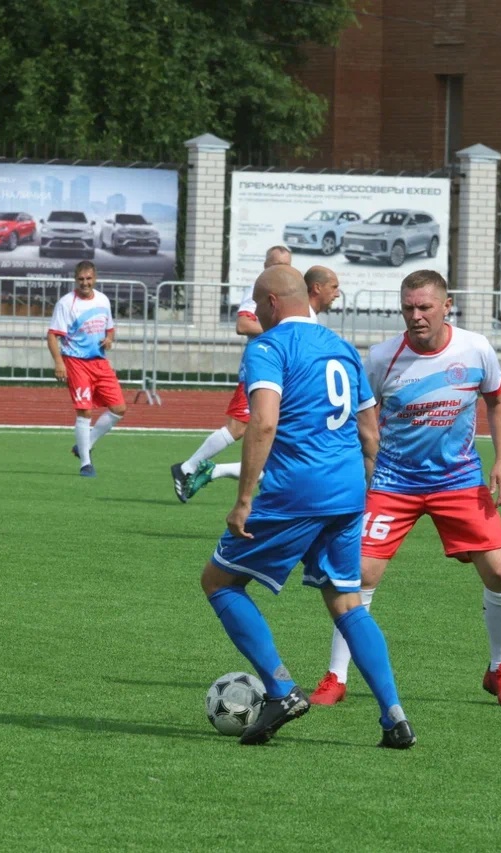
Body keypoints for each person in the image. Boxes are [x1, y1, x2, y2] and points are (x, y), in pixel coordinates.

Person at [201, 264, 414, 748]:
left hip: (295, 491)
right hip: (347, 491)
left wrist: (243, 499)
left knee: (218, 581)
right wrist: (362, 490)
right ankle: (394, 716)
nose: (254, 313)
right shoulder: (342, 348)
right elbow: (370, 432)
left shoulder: (268, 348)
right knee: (346, 603)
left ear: (273, 302)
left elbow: (263, 423)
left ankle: (280, 689)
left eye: (257, 303)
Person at [310, 270, 501, 708]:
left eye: (425, 307)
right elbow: (361, 418)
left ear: (447, 306)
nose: (416, 316)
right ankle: (336, 676)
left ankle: (499, 668)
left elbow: (497, 401)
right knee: (359, 575)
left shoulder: (476, 348)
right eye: (408, 307)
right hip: (394, 481)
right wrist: (361, 468)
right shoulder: (381, 357)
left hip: (458, 479)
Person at [187, 264, 344, 493]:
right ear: (317, 288)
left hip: (281, 382)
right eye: (334, 287)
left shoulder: (313, 324)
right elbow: (244, 325)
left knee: (280, 455)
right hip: (268, 378)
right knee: (248, 430)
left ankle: (213, 471)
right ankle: (190, 467)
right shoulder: (296, 322)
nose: (337, 293)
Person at [169, 245, 291, 500]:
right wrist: (280, 330)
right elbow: (243, 324)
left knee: (280, 439)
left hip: (283, 371)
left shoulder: (291, 294)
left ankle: (222, 475)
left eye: (286, 265)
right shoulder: (258, 289)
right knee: (238, 427)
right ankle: (187, 468)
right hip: (258, 370)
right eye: (276, 265)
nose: (281, 270)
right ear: (266, 267)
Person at [45, 261, 125, 476]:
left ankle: (84, 444)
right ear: (75, 279)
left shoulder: (103, 299)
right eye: (81, 279)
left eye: (88, 279)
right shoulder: (66, 303)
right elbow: (52, 335)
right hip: (76, 362)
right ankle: (85, 464)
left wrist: (109, 339)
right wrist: (59, 362)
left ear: (95, 278)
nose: (85, 283)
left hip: (99, 362)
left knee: (119, 408)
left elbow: (110, 329)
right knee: (85, 411)